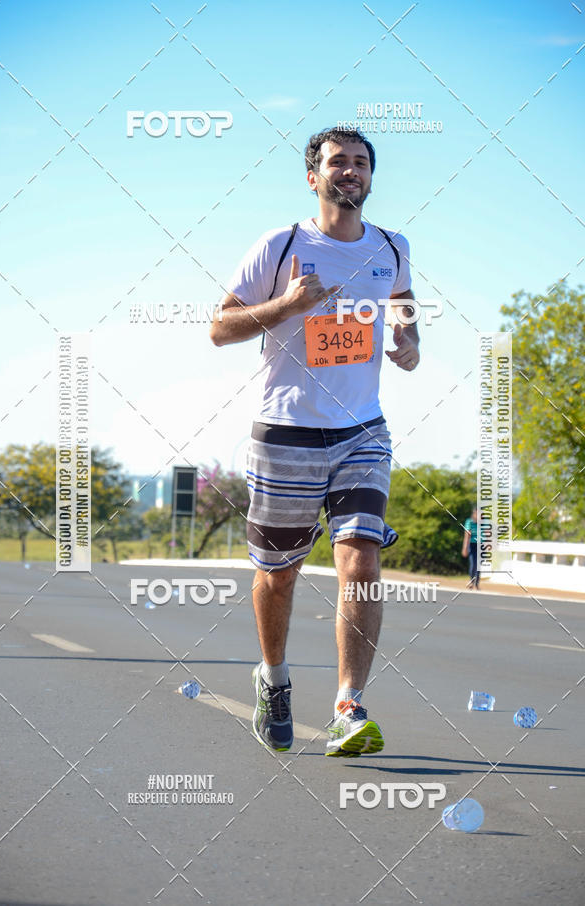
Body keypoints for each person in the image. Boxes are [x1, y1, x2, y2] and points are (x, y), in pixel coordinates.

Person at [210, 127, 419, 757]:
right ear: (313, 176)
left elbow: (404, 301)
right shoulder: (281, 246)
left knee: (360, 557)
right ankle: (273, 678)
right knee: (280, 574)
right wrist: (287, 305)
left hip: (363, 430)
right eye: (337, 163)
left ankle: (349, 706)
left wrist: (410, 341)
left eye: (360, 163)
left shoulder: (391, 246)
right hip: (287, 431)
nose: (350, 171)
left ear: (370, 176)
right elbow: (220, 328)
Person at [462, 506, 480, 589]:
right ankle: (471, 581)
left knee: (479, 565)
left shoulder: (484, 522)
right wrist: (465, 548)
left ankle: (477, 584)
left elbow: (487, 535)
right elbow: (467, 535)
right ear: (474, 514)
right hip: (472, 545)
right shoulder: (469, 522)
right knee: (473, 564)